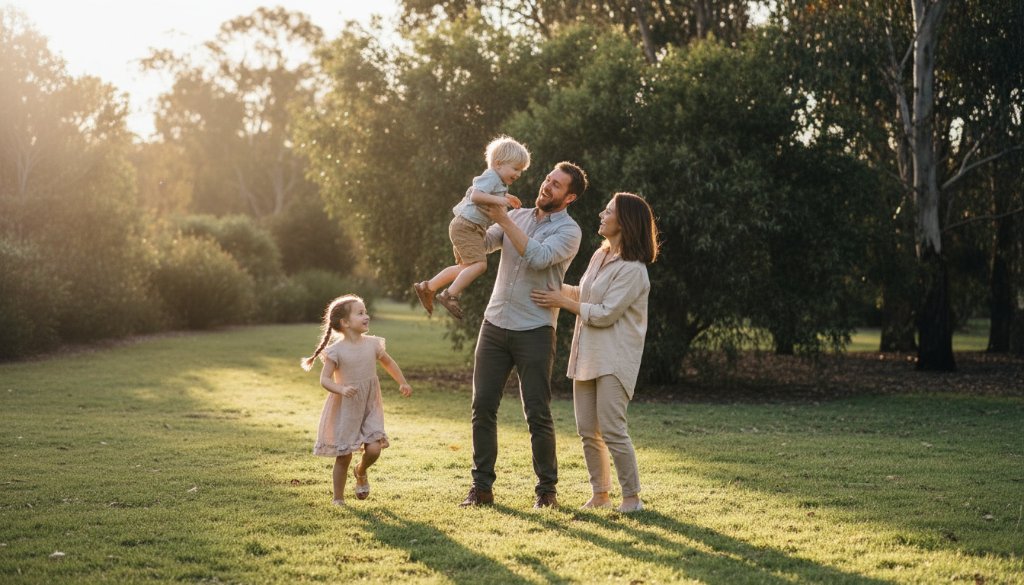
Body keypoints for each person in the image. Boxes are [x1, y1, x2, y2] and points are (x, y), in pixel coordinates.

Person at [459, 161, 588, 509]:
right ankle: (481, 488)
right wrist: (465, 224)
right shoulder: (517, 215)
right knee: (482, 407)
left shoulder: (570, 231)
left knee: (537, 413)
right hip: (494, 324)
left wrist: (502, 218)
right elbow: (484, 245)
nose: (547, 186)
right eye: (548, 179)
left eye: (557, 185)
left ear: (570, 196)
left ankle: (547, 492)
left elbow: (538, 257)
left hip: (534, 329)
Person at [530, 192, 659, 513]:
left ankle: (632, 498)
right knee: (588, 431)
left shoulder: (633, 270)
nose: (602, 214)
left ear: (624, 222)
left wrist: (565, 303)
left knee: (613, 430)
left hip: (615, 359)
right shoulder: (600, 255)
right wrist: (556, 288)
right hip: (586, 355)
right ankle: (600, 495)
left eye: (609, 211)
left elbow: (605, 313)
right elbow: (585, 293)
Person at [301, 294, 413, 506]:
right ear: (345, 323)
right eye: (360, 313)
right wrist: (341, 388)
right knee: (344, 456)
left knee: (374, 448)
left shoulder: (372, 344)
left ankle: (361, 471)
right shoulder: (336, 351)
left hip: (369, 404)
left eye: (366, 312)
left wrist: (403, 382)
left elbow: (388, 363)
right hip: (346, 407)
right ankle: (338, 498)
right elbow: (324, 380)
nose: (366, 316)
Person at [413, 136, 531, 320]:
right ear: (498, 164)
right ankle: (449, 295)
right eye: (516, 168)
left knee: (465, 267)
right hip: (466, 226)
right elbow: (476, 195)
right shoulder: (491, 176)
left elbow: (492, 194)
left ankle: (427, 287)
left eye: (521, 171)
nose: (518, 174)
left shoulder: (499, 182)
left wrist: (508, 197)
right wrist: (501, 200)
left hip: (469, 227)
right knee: (479, 265)